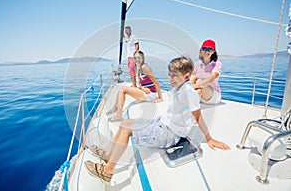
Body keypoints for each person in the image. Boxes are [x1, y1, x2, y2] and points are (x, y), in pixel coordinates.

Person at [84, 56, 230, 183]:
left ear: (186, 76)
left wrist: (209, 139)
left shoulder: (188, 91)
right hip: (161, 124)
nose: (170, 78)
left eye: (174, 75)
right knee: (125, 123)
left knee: (127, 129)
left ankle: (107, 171)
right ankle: (109, 155)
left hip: (169, 134)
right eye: (169, 74)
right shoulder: (178, 87)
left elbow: (198, 116)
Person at [106, 51, 163, 122]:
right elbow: (142, 83)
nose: (137, 59)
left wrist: (160, 98)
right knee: (122, 88)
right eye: (135, 58)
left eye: (139, 57)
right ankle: (115, 107)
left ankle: (118, 115)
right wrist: (139, 88)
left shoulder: (144, 67)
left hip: (150, 94)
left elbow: (155, 82)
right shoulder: (138, 68)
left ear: (143, 58)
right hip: (145, 91)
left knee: (123, 89)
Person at [191, 39, 222, 104]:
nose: (206, 51)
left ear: (213, 51)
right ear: (201, 50)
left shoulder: (217, 64)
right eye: (204, 48)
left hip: (212, 96)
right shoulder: (196, 64)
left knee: (200, 81)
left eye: (210, 49)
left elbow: (211, 79)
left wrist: (195, 86)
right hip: (200, 96)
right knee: (192, 77)